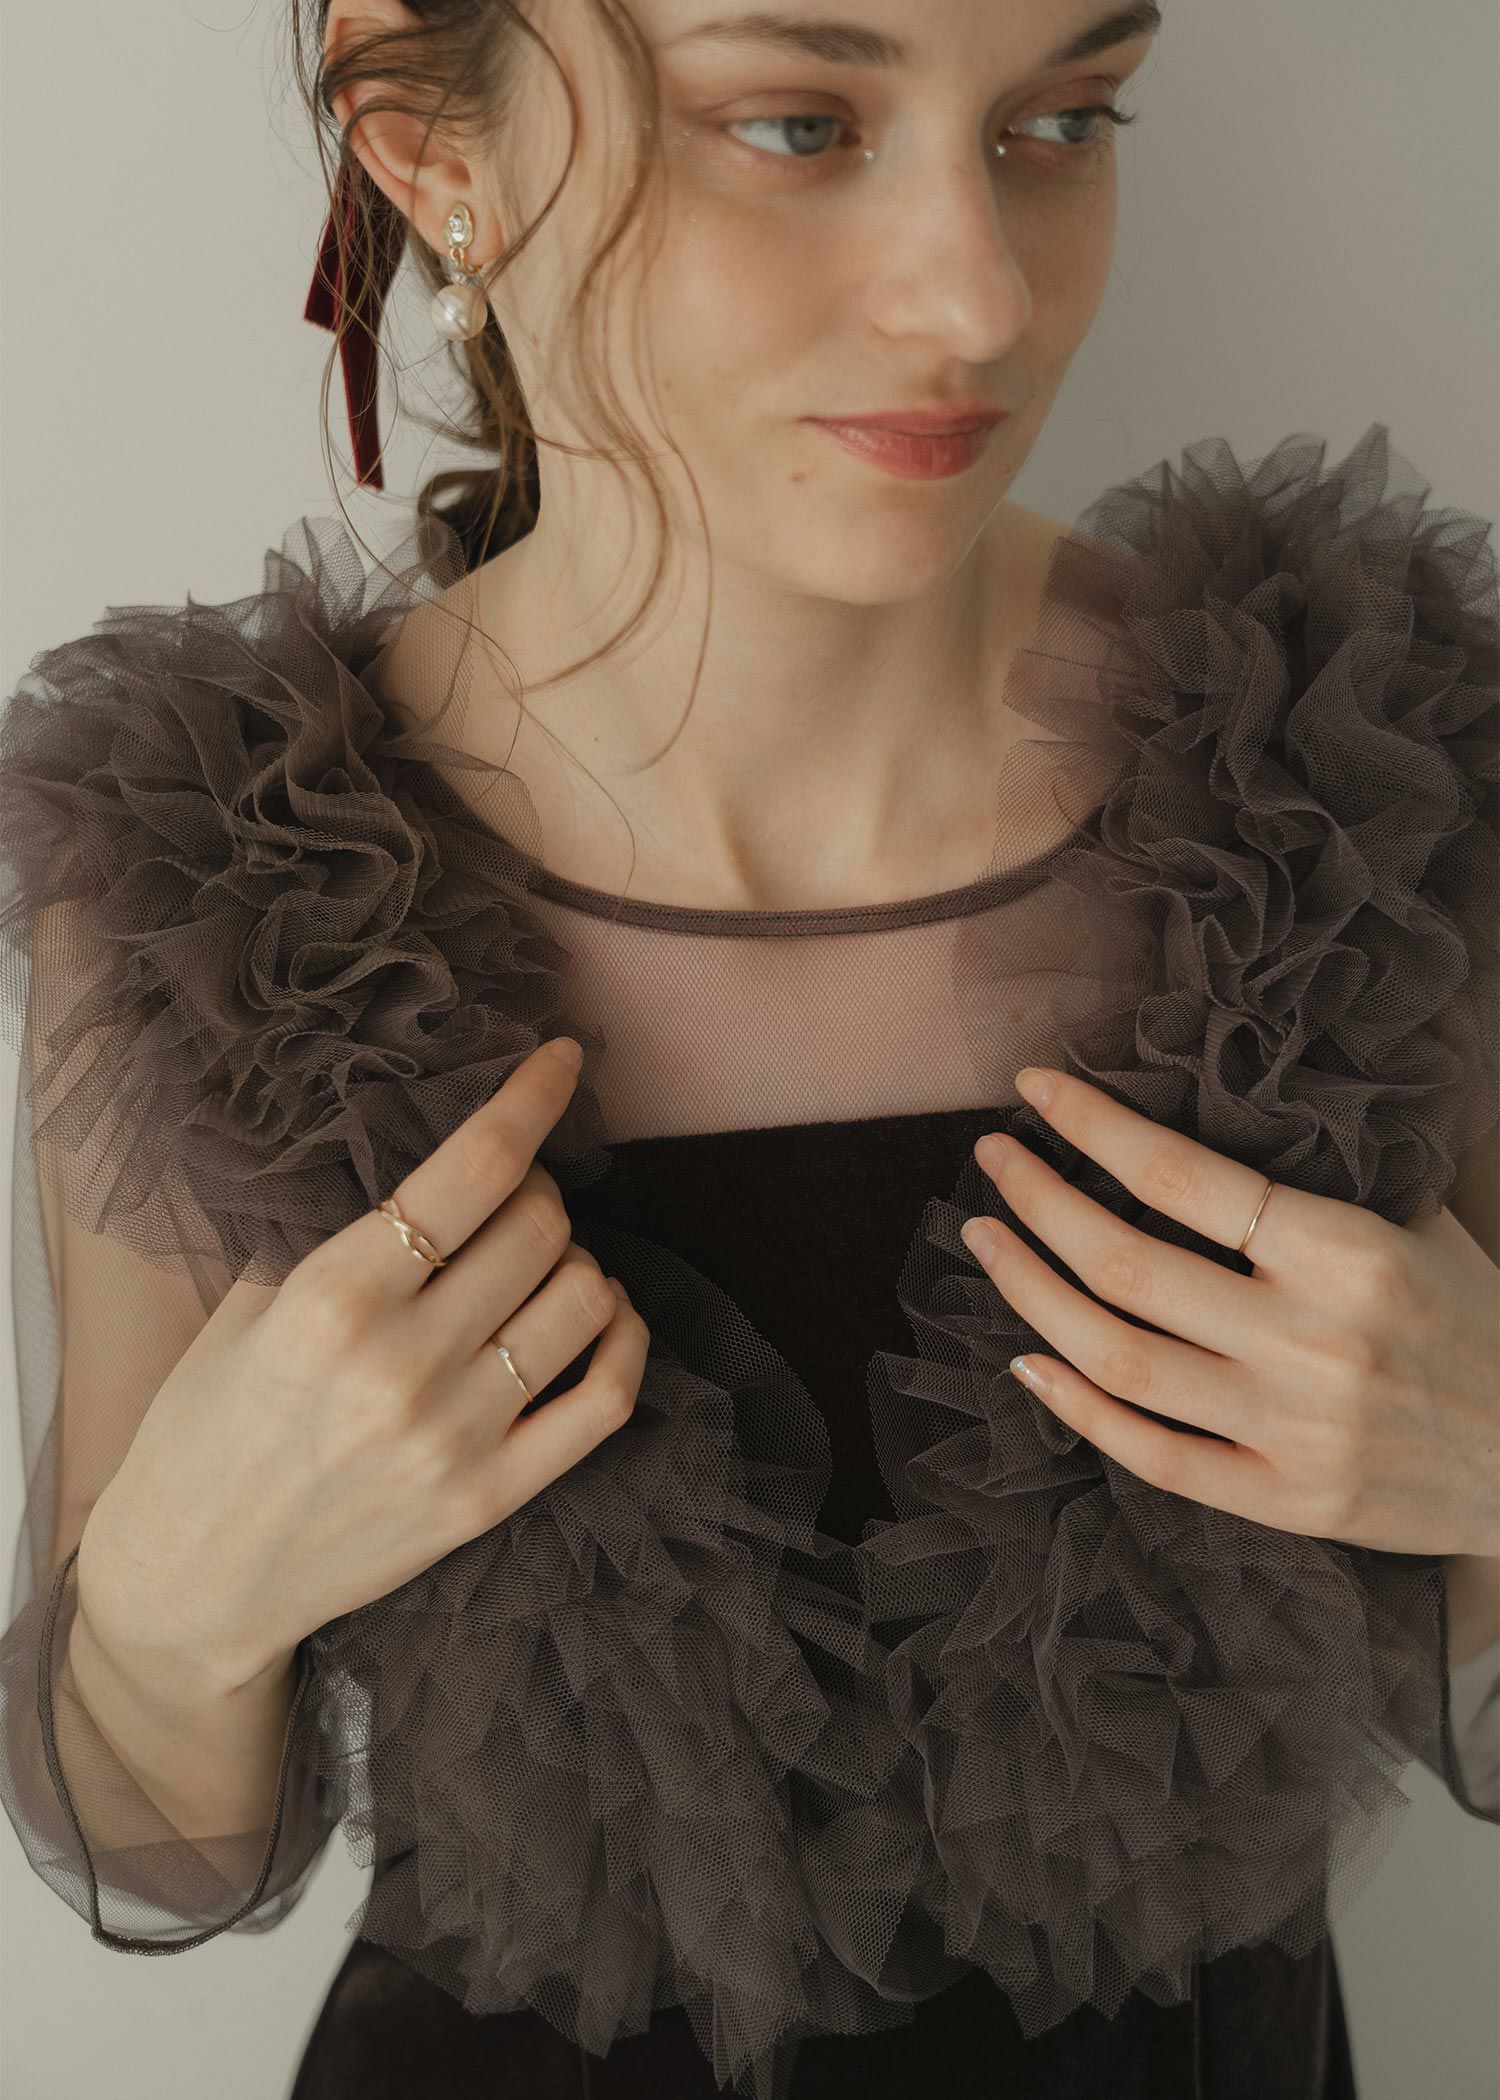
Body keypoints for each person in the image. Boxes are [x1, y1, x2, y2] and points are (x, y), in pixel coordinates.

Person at [0, 0, 1495, 2094]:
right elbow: (143, 1826)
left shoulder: (1363, 804)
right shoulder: (213, 896)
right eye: (797, 125)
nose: (980, 299)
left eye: (1066, 120)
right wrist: (173, 1608)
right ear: (433, 144)